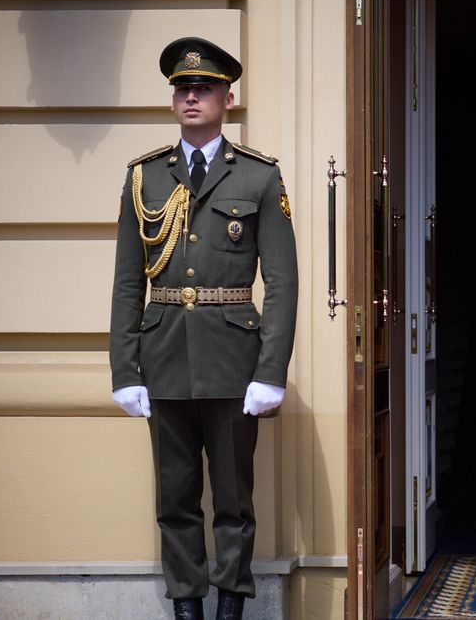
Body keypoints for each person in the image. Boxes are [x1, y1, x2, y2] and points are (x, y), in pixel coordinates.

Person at [109, 37, 298, 620]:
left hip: (234, 363)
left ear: (227, 99)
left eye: (205, 88)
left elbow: (283, 282)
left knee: (234, 502)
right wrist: (125, 370)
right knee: (175, 500)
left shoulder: (259, 176)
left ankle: (230, 608)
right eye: (183, 89)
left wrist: (271, 370)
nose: (192, 97)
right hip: (163, 358)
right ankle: (187, 608)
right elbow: (127, 283)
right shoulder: (144, 178)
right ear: (173, 102)